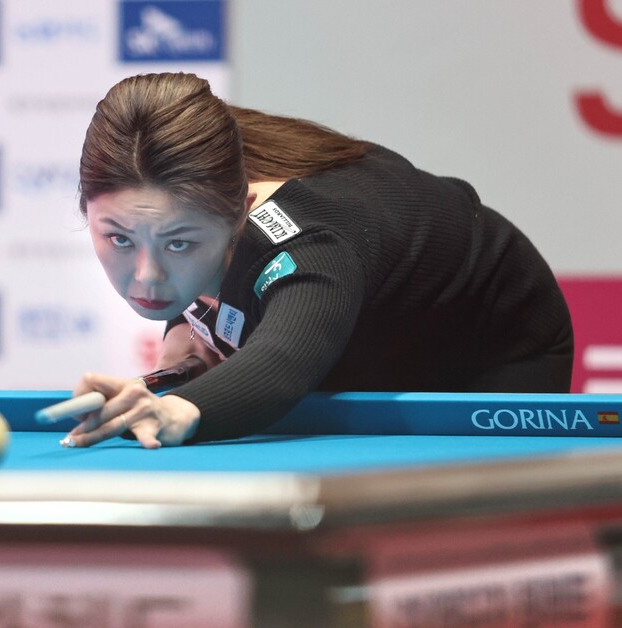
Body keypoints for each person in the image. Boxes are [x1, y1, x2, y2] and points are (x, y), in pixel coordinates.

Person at [61, 72, 573, 449]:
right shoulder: (194, 171)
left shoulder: (310, 247)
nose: (147, 275)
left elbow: (281, 361)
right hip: (375, 336)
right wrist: (185, 331)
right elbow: (182, 248)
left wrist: (179, 409)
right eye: (119, 239)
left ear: (241, 210)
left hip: (493, 347)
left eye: (178, 245)